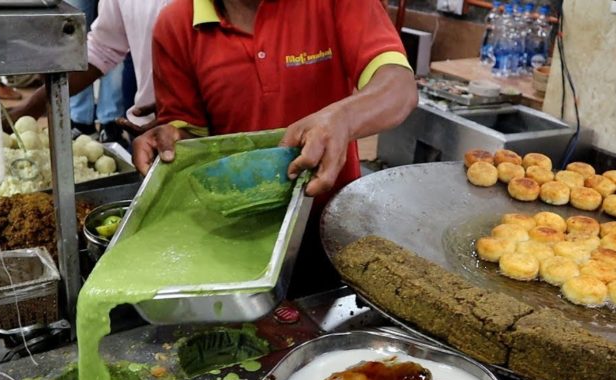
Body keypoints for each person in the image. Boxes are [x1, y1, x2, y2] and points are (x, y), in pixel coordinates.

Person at [133, 0, 418, 295]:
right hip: (235, 242)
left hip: (331, 228)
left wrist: (342, 119)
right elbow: (189, 137)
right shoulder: (177, 24)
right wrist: (169, 141)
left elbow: (398, 87)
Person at [9, 0, 170, 141]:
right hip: (151, 130)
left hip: (189, 132)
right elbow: (103, 48)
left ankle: (108, 125)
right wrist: (34, 105)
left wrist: (182, 115)